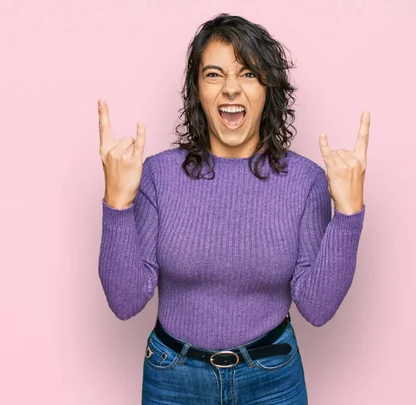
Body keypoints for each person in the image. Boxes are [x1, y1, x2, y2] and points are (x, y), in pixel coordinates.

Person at [97, 13, 368, 405]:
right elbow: (124, 302)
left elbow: (318, 307)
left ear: (267, 88)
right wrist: (117, 203)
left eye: (247, 74)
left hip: (272, 378)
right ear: (197, 89)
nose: (230, 89)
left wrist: (349, 214)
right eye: (213, 74)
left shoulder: (306, 181)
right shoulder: (156, 175)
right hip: (173, 379)